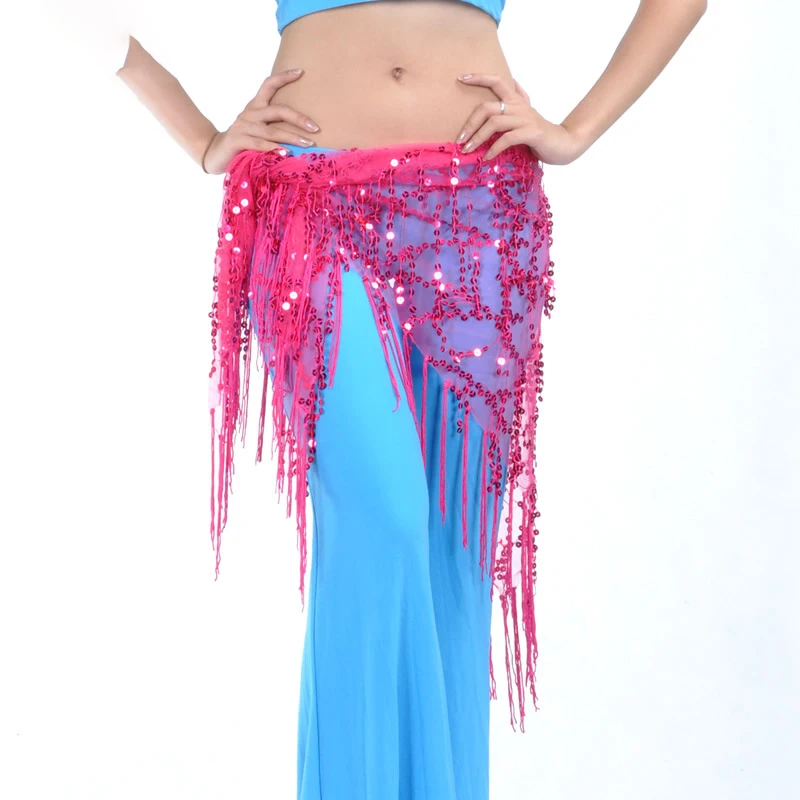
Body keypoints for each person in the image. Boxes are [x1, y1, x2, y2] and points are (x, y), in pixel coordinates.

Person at [116, 1, 708, 797]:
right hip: (312, 205)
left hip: (478, 214)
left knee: (454, 556)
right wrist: (202, 140)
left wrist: (575, 131)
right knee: (384, 521)